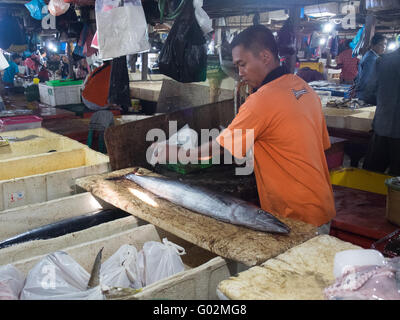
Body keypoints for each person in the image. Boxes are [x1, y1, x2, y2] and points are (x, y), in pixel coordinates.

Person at [150, 25, 336, 233]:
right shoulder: (302, 87)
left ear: (265, 56)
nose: (239, 74)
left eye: (242, 64)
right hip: (321, 205)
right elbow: (315, 144)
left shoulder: (263, 99)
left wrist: (180, 152)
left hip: (296, 215)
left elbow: (221, 147)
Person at [362, 47, 400, 175]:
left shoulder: (383, 60)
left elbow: (368, 91)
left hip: (382, 127)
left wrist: (384, 102)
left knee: (371, 177)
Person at [354, 34, 387, 101]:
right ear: (373, 45)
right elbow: (367, 79)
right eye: (381, 44)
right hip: (367, 95)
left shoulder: (370, 55)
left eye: (385, 44)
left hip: (364, 93)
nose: (384, 47)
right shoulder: (372, 59)